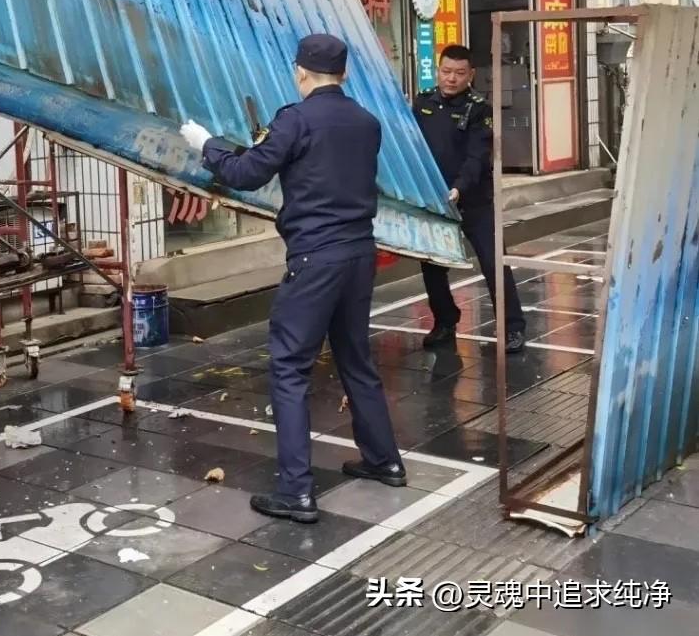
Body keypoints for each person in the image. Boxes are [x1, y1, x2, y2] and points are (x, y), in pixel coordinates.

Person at [181, 34, 405, 525]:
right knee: (355, 358)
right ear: (345, 74)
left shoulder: (295, 119)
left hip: (315, 258)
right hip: (359, 253)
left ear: (299, 72)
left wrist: (207, 144)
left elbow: (247, 173)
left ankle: (296, 491)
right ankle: (384, 460)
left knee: (289, 367)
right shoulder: (366, 122)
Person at [413, 44, 526, 354]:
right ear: (438, 71)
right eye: (446, 71)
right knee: (433, 265)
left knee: (493, 262)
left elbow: (477, 157)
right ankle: (445, 322)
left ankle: (513, 327)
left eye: (459, 73)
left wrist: (459, 188)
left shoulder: (479, 109)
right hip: (436, 201)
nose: (452, 79)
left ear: (471, 74)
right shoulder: (423, 103)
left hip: (473, 199)